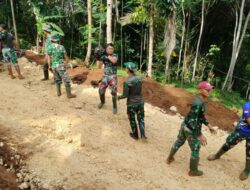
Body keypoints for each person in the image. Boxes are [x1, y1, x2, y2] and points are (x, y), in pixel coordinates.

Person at [166, 81, 216, 176]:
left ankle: (169, 158)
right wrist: (200, 134)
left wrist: (208, 125)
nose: (209, 91)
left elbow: (200, 116)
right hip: (190, 129)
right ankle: (193, 171)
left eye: (210, 89)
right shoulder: (198, 103)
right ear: (201, 90)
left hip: (185, 125)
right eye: (207, 89)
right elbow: (193, 121)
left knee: (179, 141)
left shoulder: (200, 100)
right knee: (195, 149)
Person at [207, 101, 250, 180]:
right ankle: (217, 155)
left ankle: (247, 170)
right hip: (241, 131)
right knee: (228, 143)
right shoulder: (247, 106)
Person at [118, 62, 147, 140]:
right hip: (140, 101)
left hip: (132, 103)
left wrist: (118, 97)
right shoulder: (140, 78)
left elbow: (125, 95)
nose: (125, 69)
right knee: (141, 118)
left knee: (132, 119)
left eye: (126, 68)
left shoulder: (127, 82)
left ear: (128, 70)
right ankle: (143, 135)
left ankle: (135, 135)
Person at [47, 34, 76, 99]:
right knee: (66, 80)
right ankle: (69, 95)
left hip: (54, 66)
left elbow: (48, 58)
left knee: (57, 80)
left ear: (51, 40)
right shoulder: (61, 47)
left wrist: (49, 66)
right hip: (61, 66)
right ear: (57, 40)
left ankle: (58, 93)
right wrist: (69, 63)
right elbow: (65, 57)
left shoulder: (49, 47)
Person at [97, 43, 118, 114]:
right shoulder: (103, 56)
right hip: (105, 76)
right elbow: (99, 66)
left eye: (112, 49)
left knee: (114, 92)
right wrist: (98, 58)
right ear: (106, 49)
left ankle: (115, 106)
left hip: (113, 76)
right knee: (101, 90)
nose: (111, 50)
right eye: (109, 48)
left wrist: (106, 55)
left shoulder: (115, 55)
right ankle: (102, 102)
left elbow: (114, 61)